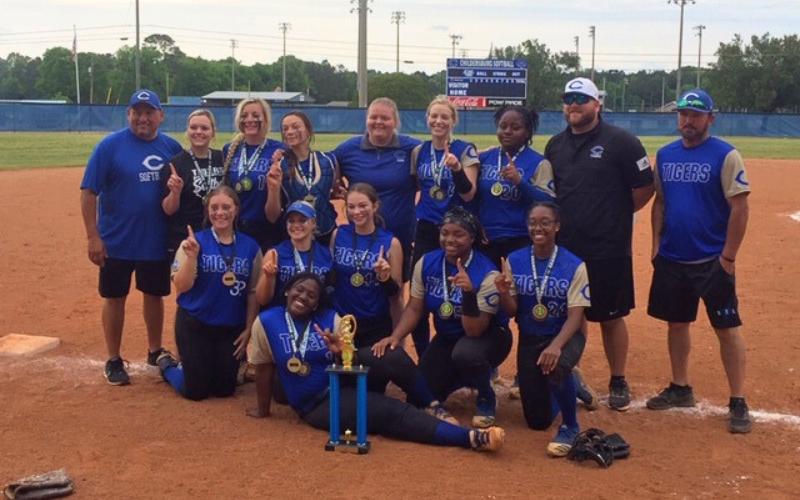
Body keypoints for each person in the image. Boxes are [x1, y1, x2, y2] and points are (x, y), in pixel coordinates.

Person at [246, 272, 504, 452]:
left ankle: (432, 404)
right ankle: (471, 438)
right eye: (299, 290)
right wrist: (262, 409)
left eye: (311, 295)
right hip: (319, 403)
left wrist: (341, 350)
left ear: (317, 303)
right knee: (390, 412)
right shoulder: (268, 321)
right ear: (288, 290)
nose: (303, 297)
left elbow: (349, 363)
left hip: (343, 378)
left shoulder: (329, 318)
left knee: (389, 352)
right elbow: (264, 367)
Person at [545, 77, 655, 411]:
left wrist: (614, 216)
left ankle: (618, 378)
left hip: (607, 246)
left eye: (581, 98)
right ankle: (571, 373)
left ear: (597, 104)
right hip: (565, 247)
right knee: (570, 315)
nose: (573, 104)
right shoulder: (555, 145)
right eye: (568, 99)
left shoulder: (622, 142)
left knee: (610, 315)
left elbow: (644, 188)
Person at [646, 89, 752, 433]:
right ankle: (680, 387)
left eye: (695, 114)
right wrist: (655, 245)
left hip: (711, 258)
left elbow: (740, 206)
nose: (687, 120)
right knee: (676, 323)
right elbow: (659, 202)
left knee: (726, 328)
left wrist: (728, 256)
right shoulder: (666, 154)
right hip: (673, 257)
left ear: (710, 118)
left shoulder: (725, 155)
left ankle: (737, 399)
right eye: (683, 114)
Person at [373, 207, 512, 428]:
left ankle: (485, 395)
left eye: (458, 234)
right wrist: (395, 336)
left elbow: (473, 330)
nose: (450, 239)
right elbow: (414, 309)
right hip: (448, 338)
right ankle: (462, 379)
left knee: (465, 354)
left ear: (472, 238)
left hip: (487, 338)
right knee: (418, 399)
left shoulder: (486, 272)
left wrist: (468, 294)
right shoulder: (427, 262)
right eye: (445, 233)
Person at [80, 89, 183, 385]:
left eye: (149, 112)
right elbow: (88, 192)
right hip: (117, 241)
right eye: (137, 112)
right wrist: (92, 237)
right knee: (115, 297)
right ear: (128, 114)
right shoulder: (110, 147)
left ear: (160, 116)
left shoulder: (171, 147)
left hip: (155, 239)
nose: (143, 118)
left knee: (154, 295)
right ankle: (113, 358)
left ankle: (154, 350)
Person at [328, 184, 450, 418]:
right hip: (343, 325)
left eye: (363, 205)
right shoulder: (338, 235)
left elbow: (395, 293)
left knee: (376, 385)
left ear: (375, 206)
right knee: (348, 393)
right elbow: (332, 278)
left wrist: (384, 277)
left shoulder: (390, 243)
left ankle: (430, 404)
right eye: (351, 207)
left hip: (375, 324)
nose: (356, 212)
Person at [495, 202, 591, 456]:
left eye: (545, 222)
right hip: (530, 338)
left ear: (557, 226)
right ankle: (572, 386)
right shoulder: (515, 260)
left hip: (566, 335)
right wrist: (504, 294)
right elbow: (513, 311)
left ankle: (570, 425)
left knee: (556, 367)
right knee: (537, 422)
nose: (538, 228)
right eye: (533, 222)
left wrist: (556, 346)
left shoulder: (574, 264)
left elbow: (576, 316)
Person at [156, 186, 262, 400]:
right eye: (214, 207)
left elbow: (252, 293)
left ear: (236, 210)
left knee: (224, 390)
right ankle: (167, 365)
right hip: (195, 323)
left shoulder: (251, 247)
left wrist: (249, 328)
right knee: (196, 391)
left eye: (226, 207)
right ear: (207, 211)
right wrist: (193, 257)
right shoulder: (194, 242)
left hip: (229, 328)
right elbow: (182, 286)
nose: (220, 213)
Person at [408, 96, 480, 357]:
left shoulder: (464, 149)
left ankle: (469, 351)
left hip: (456, 230)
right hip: (428, 228)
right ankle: (424, 355)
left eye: (444, 117)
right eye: (434, 116)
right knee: (421, 290)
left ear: (453, 122)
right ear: (428, 119)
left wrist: (458, 169)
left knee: (461, 288)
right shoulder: (419, 152)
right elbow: (421, 188)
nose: (438, 121)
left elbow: (469, 193)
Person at [333, 97, 421, 276]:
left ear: (395, 122)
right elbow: (323, 166)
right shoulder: (348, 150)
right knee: (360, 282)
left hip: (400, 234)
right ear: (366, 120)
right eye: (373, 117)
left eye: (385, 118)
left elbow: (440, 157)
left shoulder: (412, 148)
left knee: (394, 287)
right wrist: (340, 189)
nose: (378, 122)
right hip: (360, 236)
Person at [476, 104, 555, 268]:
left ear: (527, 132)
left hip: (520, 239)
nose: (507, 131)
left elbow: (549, 204)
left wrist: (520, 182)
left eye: (515, 127)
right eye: (502, 126)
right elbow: (472, 196)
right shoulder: (484, 158)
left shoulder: (538, 162)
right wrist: (474, 225)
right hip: (486, 239)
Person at [265, 111, 339, 246]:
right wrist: (273, 189)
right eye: (285, 129)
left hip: (327, 233)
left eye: (295, 126)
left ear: (308, 130)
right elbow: (272, 216)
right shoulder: (278, 166)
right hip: (295, 237)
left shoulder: (328, 161)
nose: (290, 131)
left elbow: (334, 189)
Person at [222, 98, 284, 250]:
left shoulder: (278, 150)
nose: (249, 119)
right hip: (234, 228)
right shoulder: (229, 149)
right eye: (244, 115)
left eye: (255, 115)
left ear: (266, 119)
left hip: (267, 230)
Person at [161, 109, 225, 258]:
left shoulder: (222, 158)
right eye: (193, 127)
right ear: (187, 131)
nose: (198, 132)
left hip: (218, 234)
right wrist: (175, 193)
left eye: (204, 128)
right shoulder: (175, 164)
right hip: (185, 236)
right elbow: (168, 210)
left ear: (213, 132)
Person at [255, 200, 332, 309]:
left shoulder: (326, 254)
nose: (296, 225)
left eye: (302, 220)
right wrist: (269, 277)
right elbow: (262, 300)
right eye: (291, 221)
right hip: (282, 316)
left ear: (313, 223)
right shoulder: (274, 254)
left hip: (314, 315)